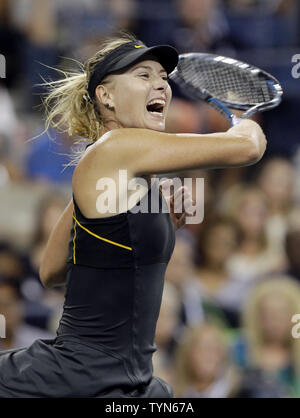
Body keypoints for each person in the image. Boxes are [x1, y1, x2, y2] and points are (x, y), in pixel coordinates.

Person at [0, 33, 266, 397]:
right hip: (77, 377)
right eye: (144, 75)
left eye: (163, 78)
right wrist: (241, 117)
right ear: (105, 96)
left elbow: (51, 270)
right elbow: (248, 147)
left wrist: (137, 226)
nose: (160, 84)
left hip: (126, 381)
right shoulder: (116, 148)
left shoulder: (118, 171)